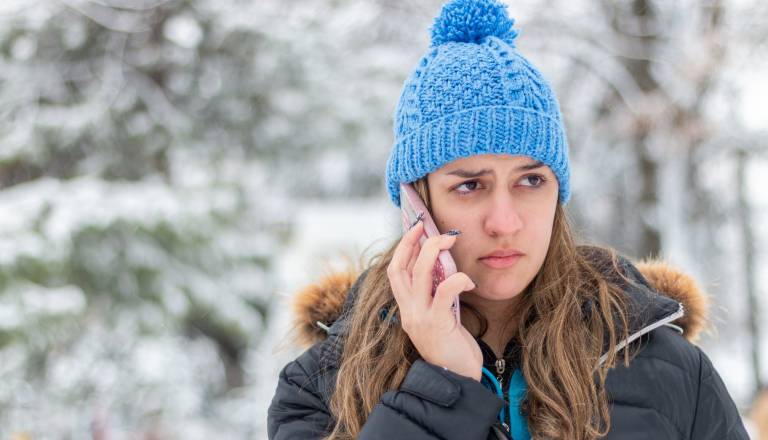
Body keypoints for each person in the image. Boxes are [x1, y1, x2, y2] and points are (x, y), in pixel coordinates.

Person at [267, 0, 749, 438]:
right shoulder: (319, 388)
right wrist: (440, 389)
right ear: (418, 204)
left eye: (530, 181)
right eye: (469, 185)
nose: (505, 222)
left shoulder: (671, 371)